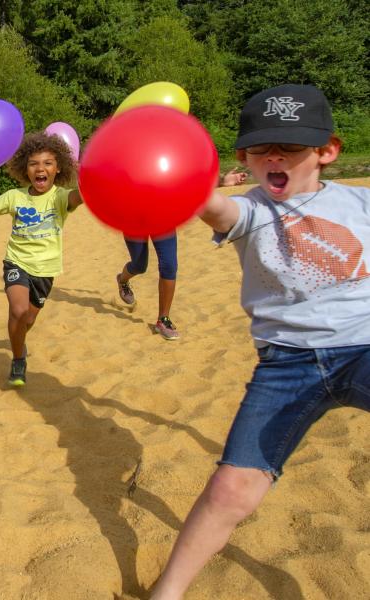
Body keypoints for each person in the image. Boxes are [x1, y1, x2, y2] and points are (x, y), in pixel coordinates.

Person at [151, 84, 370, 598]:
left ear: (326, 151)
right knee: (231, 488)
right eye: (262, 147)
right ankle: (167, 592)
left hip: (363, 349)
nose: (274, 157)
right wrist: (163, 156)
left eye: (290, 148)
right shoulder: (249, 210)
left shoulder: (361, 203)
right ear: (244, 158)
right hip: (285, 367)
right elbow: (211, 207)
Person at [0, 132, 82, 386]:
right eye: (34, 163)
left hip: (46, 270)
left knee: (28, 319)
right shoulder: (15, 196)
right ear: (25, 168)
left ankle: (18, 343)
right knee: (19, 309)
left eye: (47, 163)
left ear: (58, 169)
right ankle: (17, 359)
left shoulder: (60, 197)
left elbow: (78, 197)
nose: (40, 168)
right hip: (16, 262)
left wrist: (94, 179)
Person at [114, 171, 245, 341]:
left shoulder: (164, 159)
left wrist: (222, 180)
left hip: (162, 217)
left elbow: (188, 181)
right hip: (133, 218)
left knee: (169, 265)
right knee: (139, 265)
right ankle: (122, 280)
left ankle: (163, 319)